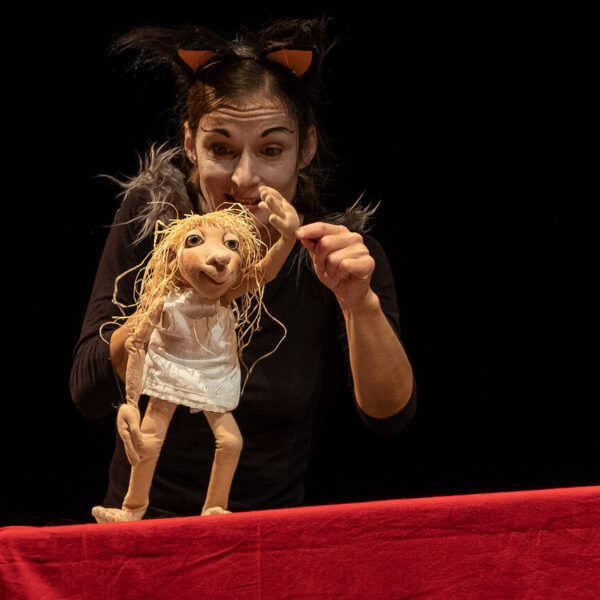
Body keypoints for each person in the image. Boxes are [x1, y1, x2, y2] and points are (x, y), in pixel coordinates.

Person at [70, 17, 417, 519]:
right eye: (221, 149)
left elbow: (388, 415)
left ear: (306, 148)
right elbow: (87, 389)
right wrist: (162, 303)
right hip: (142, 536)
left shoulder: (335, 256)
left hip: (265, 541)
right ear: (190, 143)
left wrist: (358, 303)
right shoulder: (156, 229)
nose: (244, 178)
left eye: (271, 150)